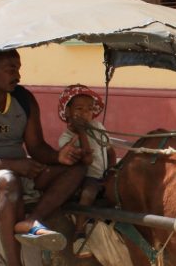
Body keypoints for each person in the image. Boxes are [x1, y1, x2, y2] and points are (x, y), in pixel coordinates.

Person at [0, 49, 87, 266]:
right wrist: (11, 165)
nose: (18, 75)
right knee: (9, 182)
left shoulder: (24, 98)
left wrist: (58, 157)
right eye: (10, 69)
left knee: (76, 170)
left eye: (18, 68)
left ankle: (32, 220)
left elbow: (37, 146)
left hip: (20, 168)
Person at [55, 84, 116, 257]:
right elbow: (87, 159)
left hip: (104, 174)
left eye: (89, 109)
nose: (85, 114)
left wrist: (112, 170)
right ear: (67, 112)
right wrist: (82, 132)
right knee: (88, 193)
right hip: (86, 178)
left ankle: (114, 227)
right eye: (79, 109)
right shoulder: (66, 138)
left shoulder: (98, 127)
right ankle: (79, 233)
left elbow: (110, 150)